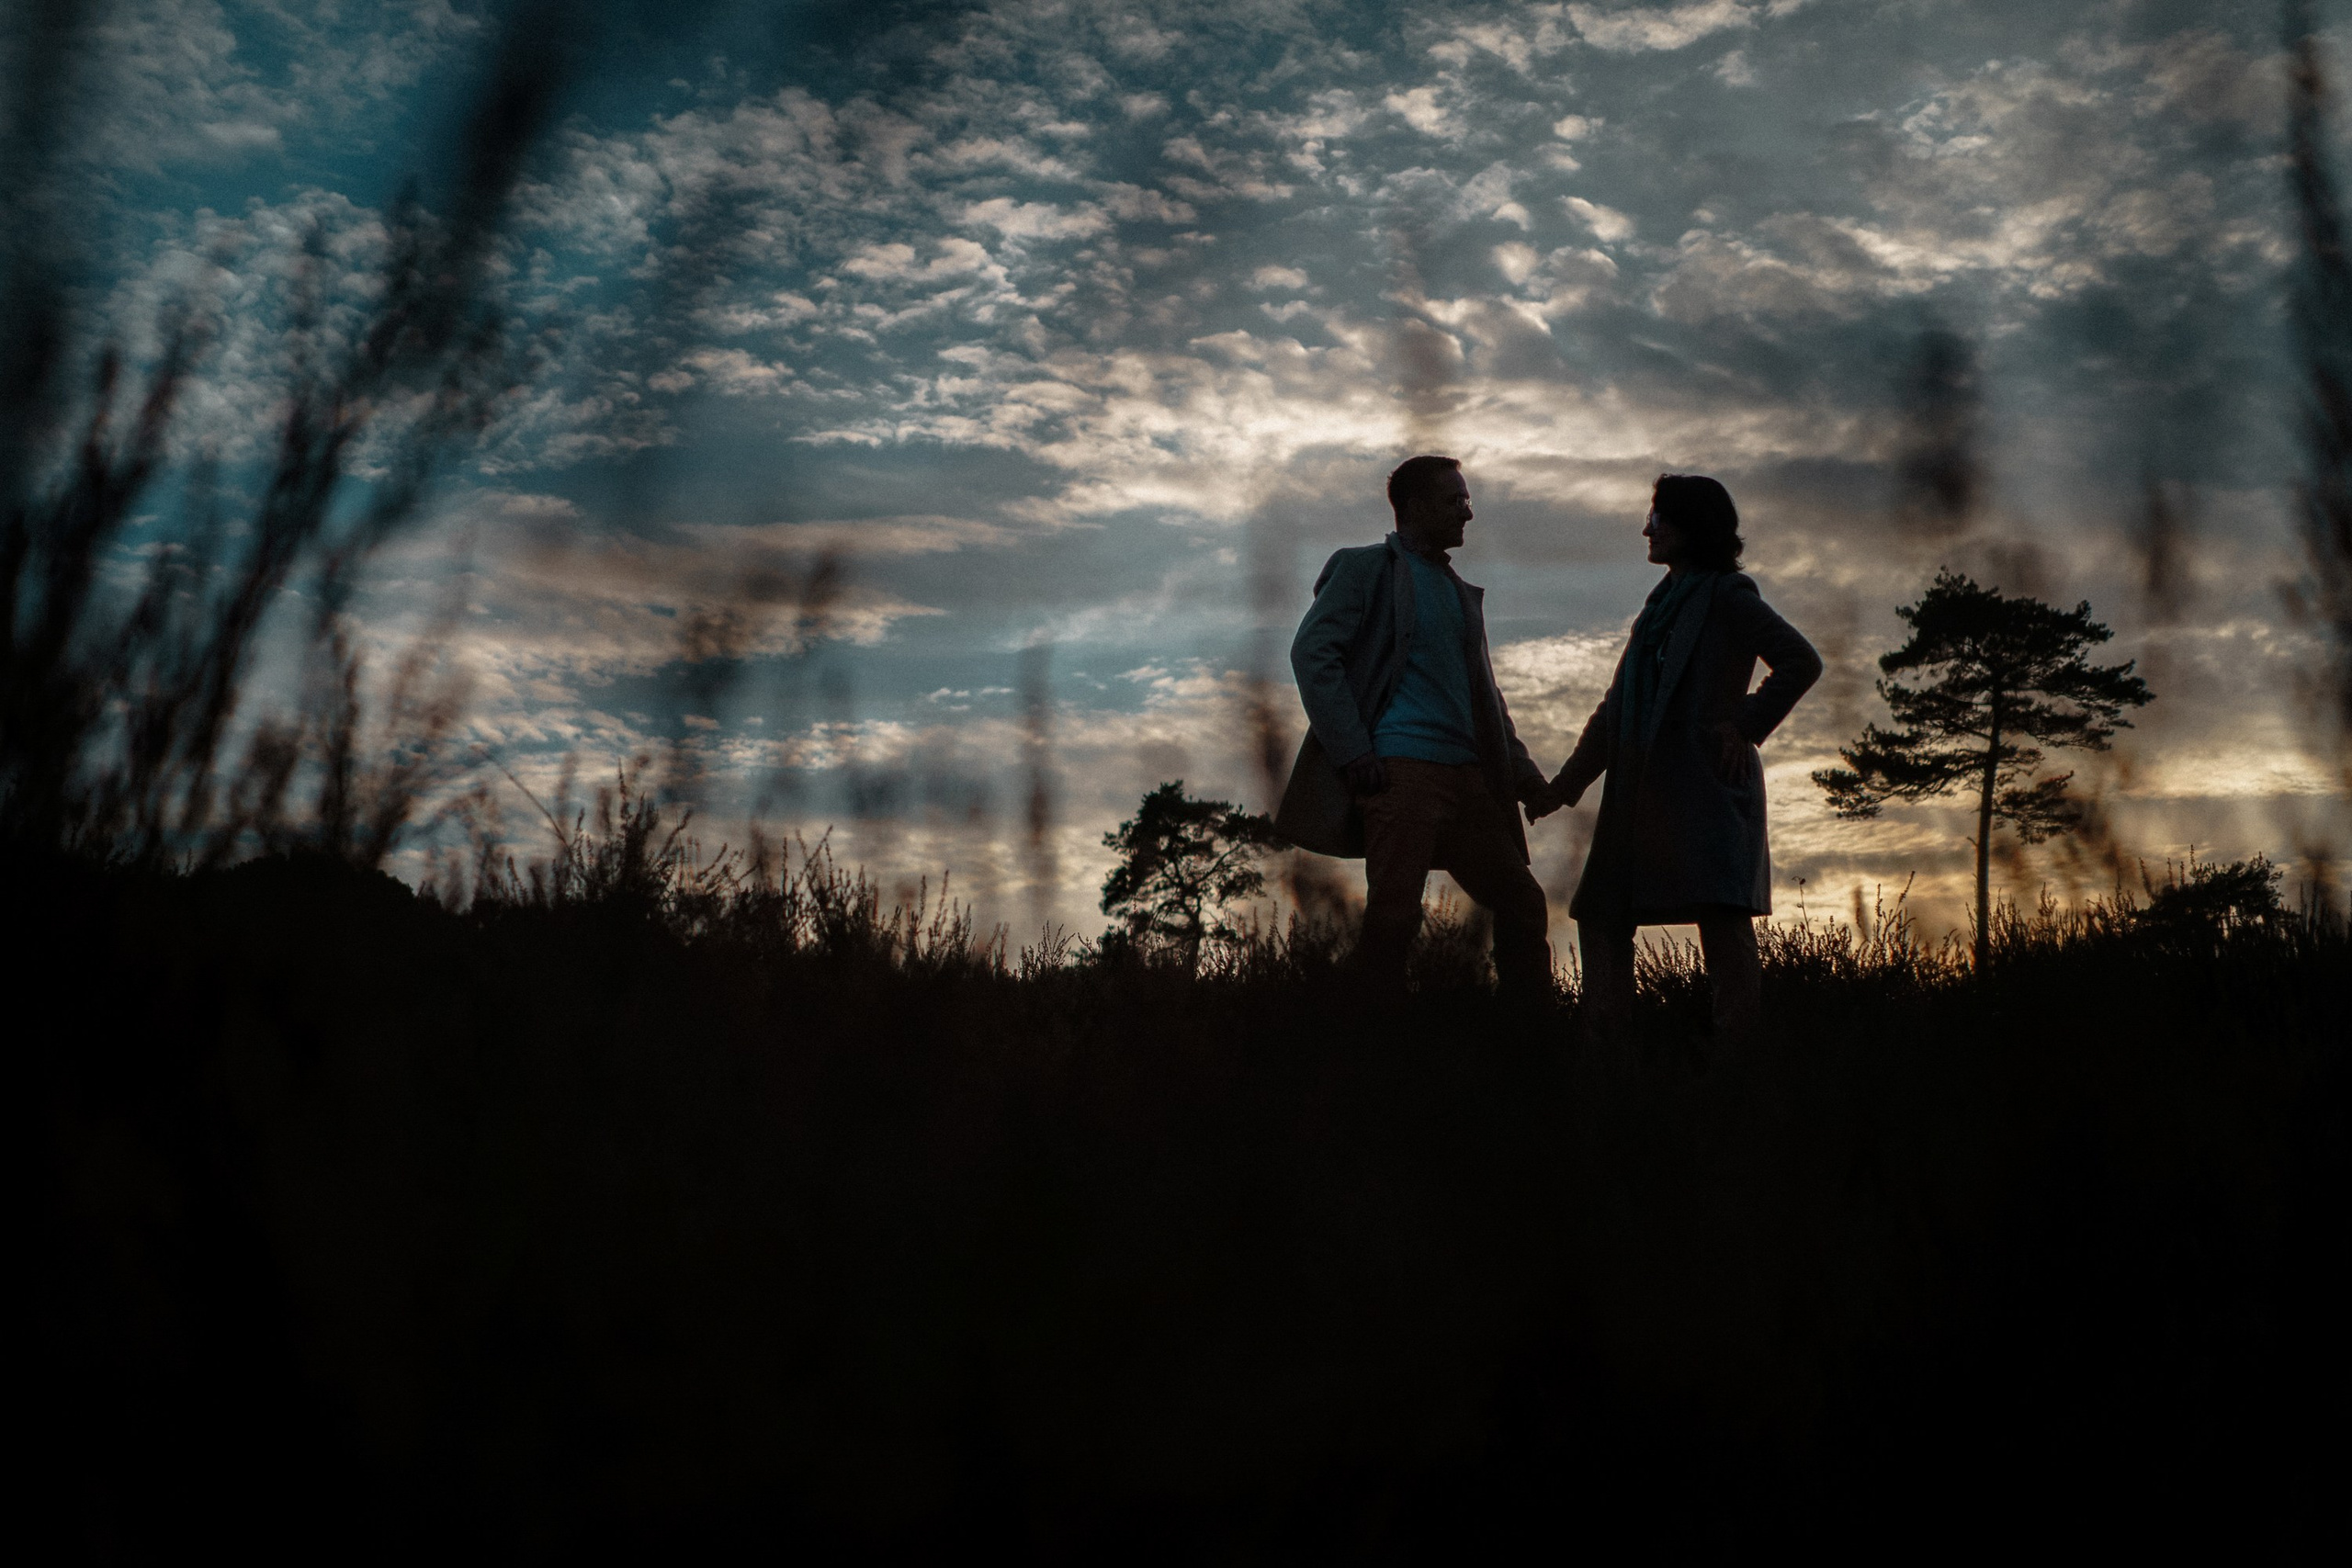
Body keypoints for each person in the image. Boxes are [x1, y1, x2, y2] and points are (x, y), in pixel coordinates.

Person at [1535, 474, 1820, 1043]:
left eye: (1660, 516)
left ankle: (1736, 1068)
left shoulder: (1728, 596)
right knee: (1602, 916)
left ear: (1694, 526)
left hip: (1705, 790)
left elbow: (1800, 661)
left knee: (1722, 921)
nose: (1648, 527)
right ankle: (1611, 1062)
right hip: (1639, 794)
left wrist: (1744, 725)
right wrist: (1564, 786)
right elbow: (1616, 709)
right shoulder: (1658, 609)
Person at [1275, 455, 1557, 999]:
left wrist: (1525, 779)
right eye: (1456, 500)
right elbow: (1313, 653)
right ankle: (1372, 1042)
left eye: (1466, 500)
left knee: (1523, 902)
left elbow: (1488, 702)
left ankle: (1532, 1042)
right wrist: (1353, 749)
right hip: (1400, 772)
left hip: (1469, 778)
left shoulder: (1458, 593)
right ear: (1416, 506)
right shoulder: (1363, 569)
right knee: (1395, 916)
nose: (1468, 514)